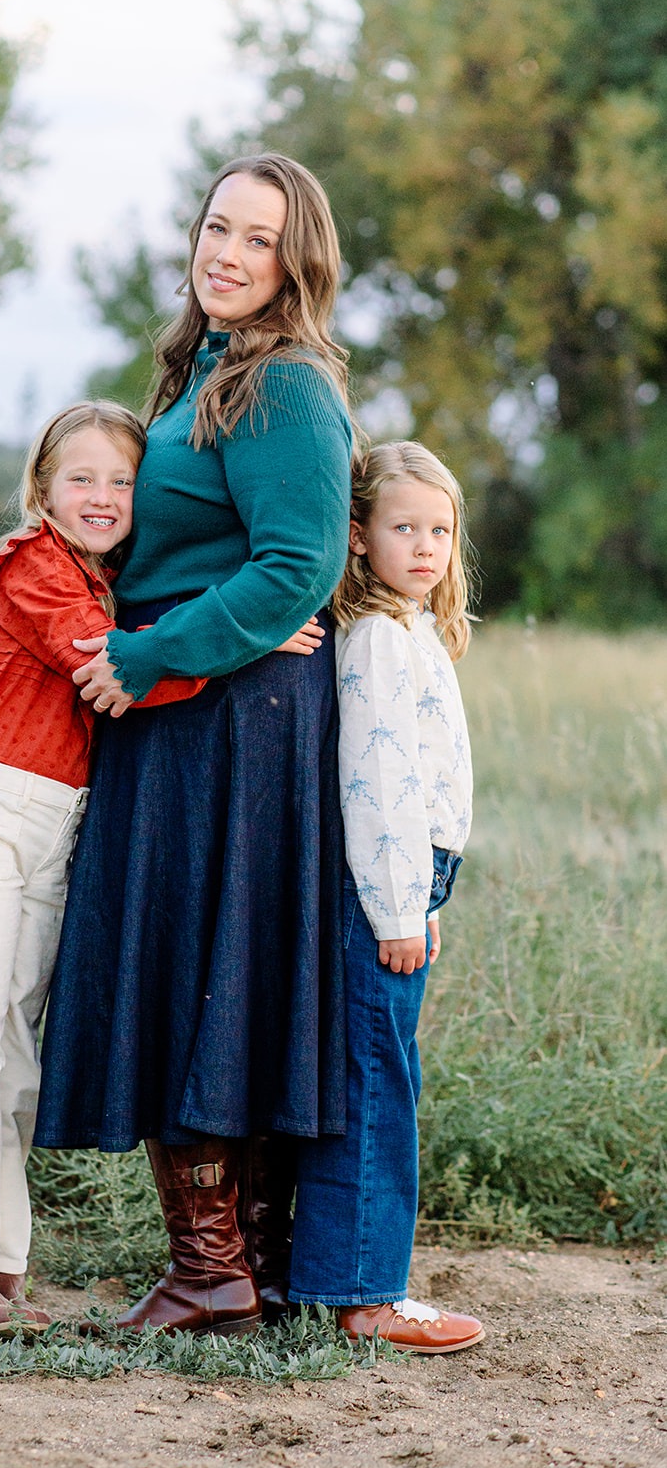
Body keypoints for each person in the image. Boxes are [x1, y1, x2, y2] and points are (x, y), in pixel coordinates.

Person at [34, 153, 357, 1336]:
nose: (225, 253)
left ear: (295, 263)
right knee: (193, 968)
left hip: (229, 726)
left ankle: (218, 1272)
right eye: (216, 226)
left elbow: (293, 566)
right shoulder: (201, 373)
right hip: (192, 712)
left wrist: (140, 655)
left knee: (206, 974)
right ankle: (229, 1268)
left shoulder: (283, 386)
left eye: (256, 239)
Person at [0, 400, 211, 1338]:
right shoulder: (31, 566)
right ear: (41, 489)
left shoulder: (106, 582)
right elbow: (108, 668)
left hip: (53, 824)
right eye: (81, 477)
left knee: (15, 1050)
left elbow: (132, 648)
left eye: (122, 480)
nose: (103, 496)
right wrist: (244, 640)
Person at [287, 439, 485, 1353]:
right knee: (376, 1085)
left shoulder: (407, 629)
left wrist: (427, 904)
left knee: (374, 1073)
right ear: (358, 536)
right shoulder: (373, 639)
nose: (424, 546)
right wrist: (402, 912)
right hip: (384, 891)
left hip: (410, 884)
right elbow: (377, 786)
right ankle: (365, 1293)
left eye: (438, 529)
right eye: (402, 527)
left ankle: (339, 1277)